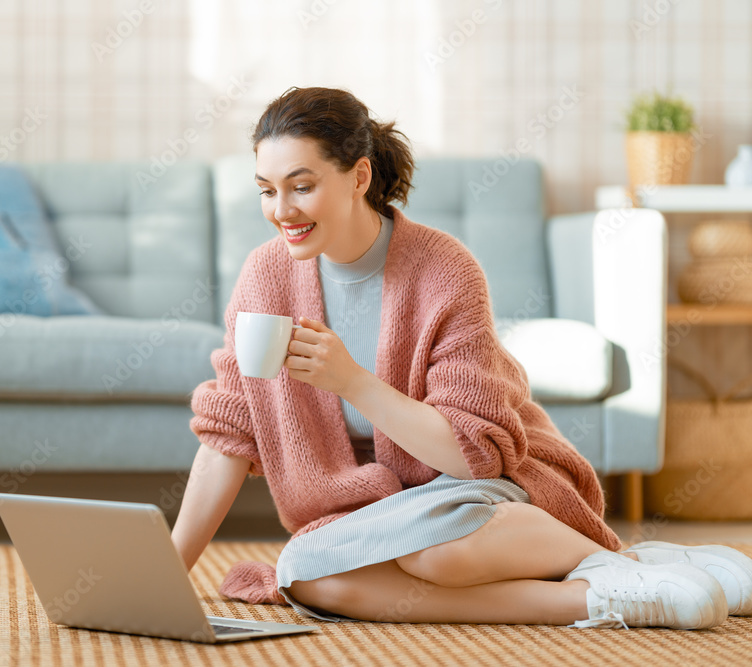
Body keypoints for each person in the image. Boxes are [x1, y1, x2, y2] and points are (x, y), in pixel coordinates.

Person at [169, 86, 752, 629]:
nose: (282, 210)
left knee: (439, 554)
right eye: (267, 190)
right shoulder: (265, 276)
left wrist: (351, 380)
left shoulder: (444, 269)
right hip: (370, 514)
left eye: (302, 186)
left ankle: (601, 554)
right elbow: (228, 432)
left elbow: (472, 456)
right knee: (309, 576)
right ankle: (604, 593)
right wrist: (166, 573)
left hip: (480, 488)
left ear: (359, 176)